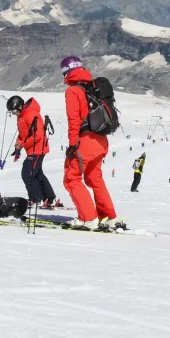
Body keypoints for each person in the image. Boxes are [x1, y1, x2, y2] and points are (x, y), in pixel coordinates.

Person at [60, 56, 122, 230]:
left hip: (85, 142)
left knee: (72, 179)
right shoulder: (93, 87)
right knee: (95, 178)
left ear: (67, 71)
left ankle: (88, 218)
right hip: (101, 141)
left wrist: (72, 145)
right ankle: (109, 217)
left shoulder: (73, 91)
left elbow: (74, 120)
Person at [7, 95, 61, 207]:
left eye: (14, 111)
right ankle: (49, 198)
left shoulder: (31, 114)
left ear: (20, 106)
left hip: (37, 149)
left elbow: (38, 135)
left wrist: (23, 144)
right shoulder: (22, 116)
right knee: (37, 173)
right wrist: (18, 145)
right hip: (32, 149)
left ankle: (37, 199)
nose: (14, 113)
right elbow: (24, 133)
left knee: (27, 174)